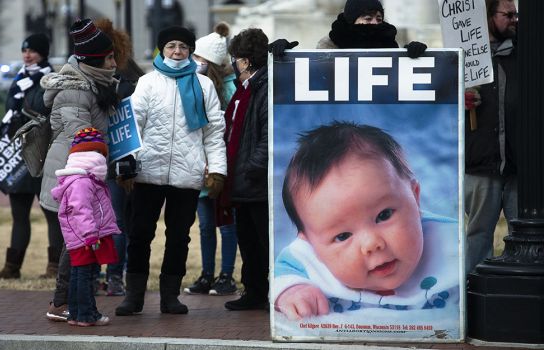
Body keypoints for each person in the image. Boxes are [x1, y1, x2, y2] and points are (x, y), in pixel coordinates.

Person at [274, 122, 459, 320]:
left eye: (384, 215)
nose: (372, 244)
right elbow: (281, 276)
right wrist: (292, 291)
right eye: (343, 236)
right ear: (310, 242)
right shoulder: (305, 259)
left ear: (415, 198)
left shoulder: (450, 240)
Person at [115, 26, 226, 316]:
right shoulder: (148, 82)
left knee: (179, 237)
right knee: (140, 234)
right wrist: (125, 165)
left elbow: (214, 133)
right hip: (147, 172)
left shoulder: (204, 86)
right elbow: (133, 125)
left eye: (183, 47)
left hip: (186, 175)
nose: (177, 52)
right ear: (161, 50)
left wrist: (216, 170)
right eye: (171, 46)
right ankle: (134, 296)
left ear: (190, 50)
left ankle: (170, 297)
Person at [41, 18, 119, 322]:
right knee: (75, 242)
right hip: (72, 175)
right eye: (110, 58)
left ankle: (66, 302)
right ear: (95, 60)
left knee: (73, 241)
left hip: (85, 173)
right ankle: (63, 303)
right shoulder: (75, 91)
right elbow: (82, 137)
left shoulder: (95, 83)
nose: (114, 63)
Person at [0, 33, 63, 280]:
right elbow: (11, 109)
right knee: (19, 214)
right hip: (18, 155)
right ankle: (12, 267)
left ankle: (54, 267)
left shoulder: (50, 77)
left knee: (51, 211)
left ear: (43, 53)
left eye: (32, 51)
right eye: (24, 50)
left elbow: (44, 109)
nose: (27, 55)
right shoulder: (19, 78)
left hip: (41, 152)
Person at [184, 22, 239, 296]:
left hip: (222, 167)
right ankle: (207, 274)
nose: (195, 63)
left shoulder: (230, 89)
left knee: (226, 224)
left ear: (212, 63)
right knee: (205, 226)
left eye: (200, 59)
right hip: (199, 167)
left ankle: (226, 275)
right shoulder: (194, 85)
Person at [464, 0, 518, 273]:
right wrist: (459, 101)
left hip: (518, 166)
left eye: (515, 13)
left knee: (524, 239)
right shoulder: (463, 58)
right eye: (507, 14)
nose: (514, 19)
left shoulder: (525, 54)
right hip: (480, 164)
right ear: (487, 17)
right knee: (477, 235)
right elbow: (442, 103)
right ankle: (473, 301)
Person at [218, 28, 270, 311]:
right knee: (248, 242)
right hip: (243, 181)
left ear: (246, 61)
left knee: (262, 242)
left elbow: (266, 133)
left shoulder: (263, 88)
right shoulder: (245, 89)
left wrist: (253, 167)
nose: (233, 63)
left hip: (255, 181)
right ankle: (254, 291)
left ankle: (264, 291)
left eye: (236, 58)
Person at [94, 18, 146, 297]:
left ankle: (114, 275)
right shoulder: (87, 74)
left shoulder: (128, 79)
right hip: (92, 158)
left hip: (116, 160)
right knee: (96, 219)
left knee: (116, 220)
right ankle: (96, 274)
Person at [51, 128, 120, 327]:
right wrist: (91, 235)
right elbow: (81, 210)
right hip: (86, 238)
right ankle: (87, 314)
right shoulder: (82, 182)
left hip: (81, 237)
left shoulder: (83, 180)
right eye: (100, 154)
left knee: (79, 274)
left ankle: (75, 313)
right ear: (92, 156)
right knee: (86, 275)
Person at [268, 0, 427, 57]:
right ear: (352, 20)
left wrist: (414, 57)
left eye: (379, 19)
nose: (374, 23)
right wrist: (284, 58)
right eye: (367, 18)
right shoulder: (329, 45)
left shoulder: (390, 44)